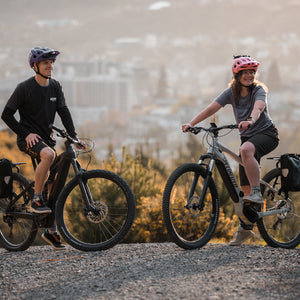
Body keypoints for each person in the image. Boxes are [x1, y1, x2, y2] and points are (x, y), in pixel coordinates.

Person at [182, 55, 279, 246]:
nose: (249, 76)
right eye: (245, 73)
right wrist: (191, 123)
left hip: (267, 134)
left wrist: (250, 120)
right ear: (237, 75)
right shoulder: (231, 93)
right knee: (244, 192)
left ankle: (258, 191)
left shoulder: (259, 90)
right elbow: (211, 109)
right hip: (247, 140)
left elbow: (259, 107)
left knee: (245, 150)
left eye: (252, 72)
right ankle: (245, 229)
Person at [1, 46, 83, 250]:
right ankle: (36, 200)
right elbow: (7, 115)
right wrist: (25, 133)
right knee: (48, 155)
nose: (50, 66)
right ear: (35, 66)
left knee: (56, 182)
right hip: (28, 139)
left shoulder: (55, 86)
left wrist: (74, 136)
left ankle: (51, 230)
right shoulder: (24, 88)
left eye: (52, 63)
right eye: (46, 63)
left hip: (47, 139)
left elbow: (64, 111)